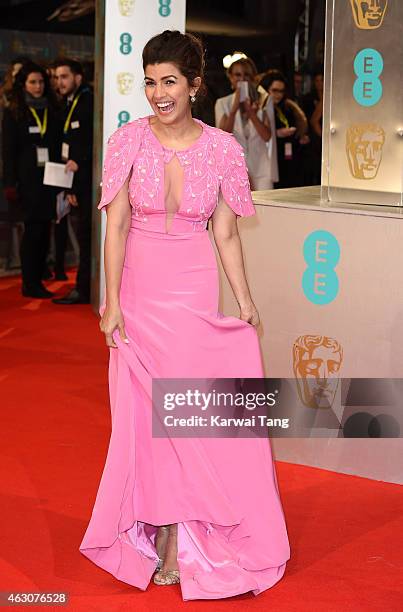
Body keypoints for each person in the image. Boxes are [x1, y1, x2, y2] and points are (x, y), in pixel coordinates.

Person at [79, 30, 290, 600]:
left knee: (187, 418)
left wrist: (244, 301)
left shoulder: (222, 148)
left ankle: (185, 536)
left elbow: (224, 233)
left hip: (193, 297)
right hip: (141, 297)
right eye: (150, 82)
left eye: (169, 81)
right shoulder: (127, 140)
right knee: (144, 427)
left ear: (195, 84)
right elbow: (116, 225)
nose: (157, 93)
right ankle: (167, 534)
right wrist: (112, 302)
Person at [2, 61, 61, 298]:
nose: (38, 87)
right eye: (32, 82)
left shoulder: (52, 109)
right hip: (27, 182)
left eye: (40, 82)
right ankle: (30, 283)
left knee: (44, 230)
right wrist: (9, 183)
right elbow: (8, 152)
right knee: (33, 231)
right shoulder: (15, 111)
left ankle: (38, 277)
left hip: (51, 178)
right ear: (23, 85)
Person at [52, 58, 93, 304]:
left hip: (85, 183)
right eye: (56, 78)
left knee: (85, 238)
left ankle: (83, 289)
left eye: (64, 77)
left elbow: (87, 144)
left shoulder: (86, 101)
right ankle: (82, 287)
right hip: (75, 181)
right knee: (81, 236)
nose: (59, 82)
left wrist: (75, 186)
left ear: (78, 77)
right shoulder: (70, 102)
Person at [214, 57, 273, 190]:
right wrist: (234, 110)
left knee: (266, 209)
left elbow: (267, 136)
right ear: (230, 77)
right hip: (235, 169)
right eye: (237, 75)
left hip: (261, 169)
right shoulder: (222, 103)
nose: (242, 79)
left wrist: (251, 113)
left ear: (253, 77)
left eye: (246, 74)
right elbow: (222, 137)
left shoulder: (264, 100)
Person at [259, 70, 309, 189]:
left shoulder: (287, 107)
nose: (278, 95)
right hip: (269, 161)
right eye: (275, 90)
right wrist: (276, 134)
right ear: (266, 90)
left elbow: (299, 125)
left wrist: (300, 136)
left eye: (281, 91)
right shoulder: (261, 109)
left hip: (290, 158)